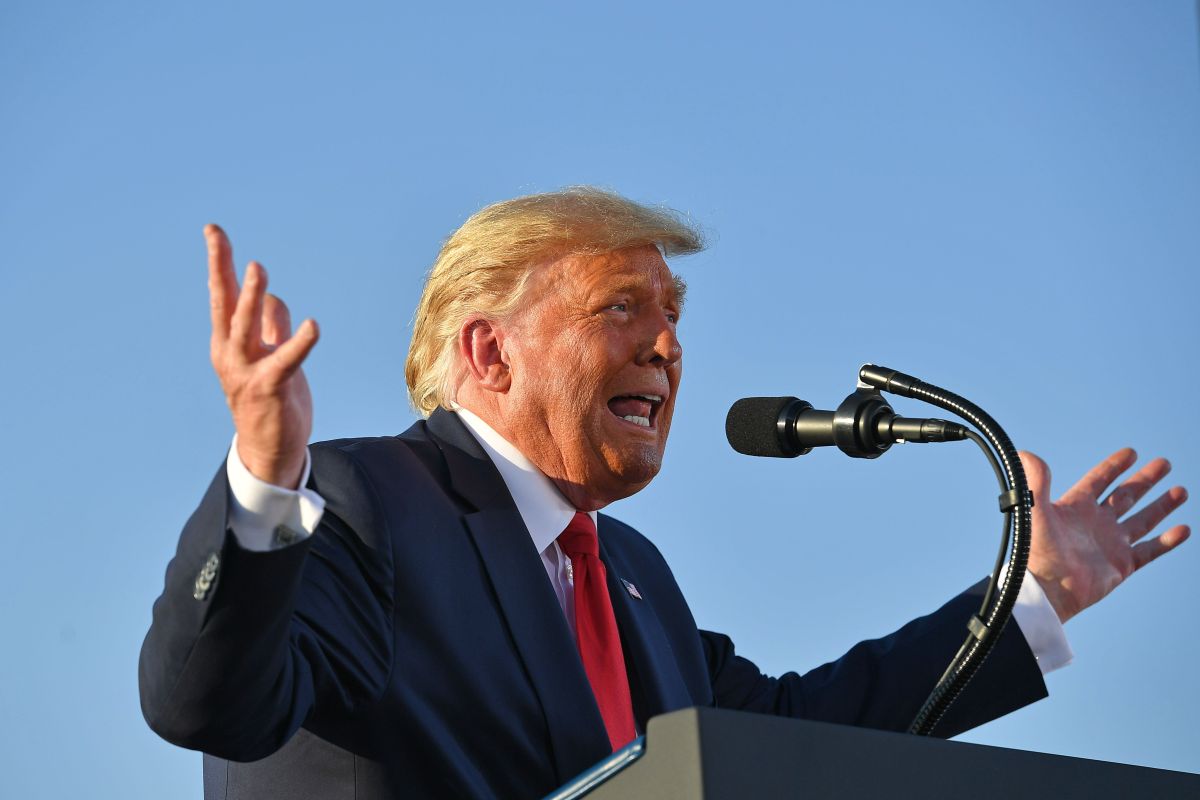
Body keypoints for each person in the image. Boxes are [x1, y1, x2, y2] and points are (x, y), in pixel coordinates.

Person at [140, 188, 1190, 799]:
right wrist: (265, 481)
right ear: (490, 351)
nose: (670, 343)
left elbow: (800, 727)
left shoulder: (633, 575)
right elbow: (209, 702)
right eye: (622, 307)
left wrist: (1032, 598)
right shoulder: (362, 501)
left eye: (674, 311)